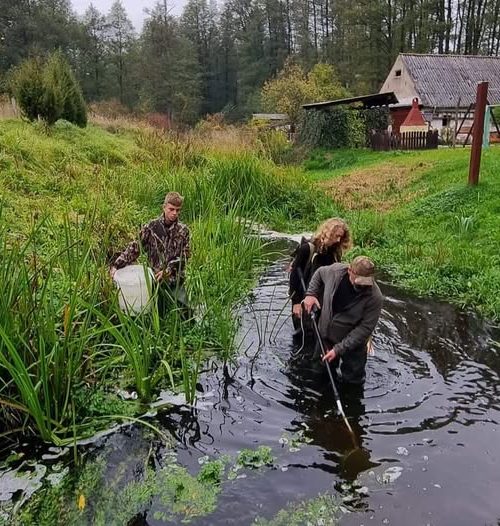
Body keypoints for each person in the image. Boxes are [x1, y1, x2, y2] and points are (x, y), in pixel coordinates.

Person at [302, 256, 383, 385]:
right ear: (350, 270)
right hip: (325, 337)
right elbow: (319, 273)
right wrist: (311, 294)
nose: (363, 286)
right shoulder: (334, 272)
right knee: (319, 373)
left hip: (354, 345)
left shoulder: (375, 297)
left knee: (352, 382)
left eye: (366, 282)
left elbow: (365, 329)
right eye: (359, 281)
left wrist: (338, 349)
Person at [110, 191, 190, 310]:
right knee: (153, 312)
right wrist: (117, 265)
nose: (174, 213)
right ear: (164, 207)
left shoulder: (183, 231)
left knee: (185, 314)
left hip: (174, 279)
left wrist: (168, 270)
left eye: (177, 210)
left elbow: (184, 256)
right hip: (153, 280)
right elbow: (135, 248)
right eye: (171, 209)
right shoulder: (152, 227)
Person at [289, 218, 351, 337]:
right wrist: (295, 302)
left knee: (318, 333)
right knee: (301, 333)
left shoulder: (335, 253)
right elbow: (294, 277)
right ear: (328, 232)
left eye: (341, 237)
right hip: (303, 296)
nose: (338, 240)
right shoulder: (307, 249)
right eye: (336, 236)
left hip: (323, 298)